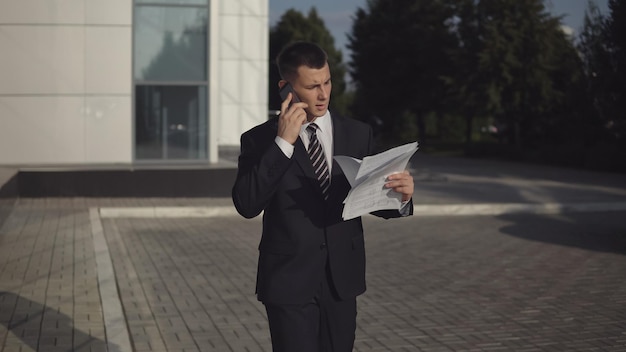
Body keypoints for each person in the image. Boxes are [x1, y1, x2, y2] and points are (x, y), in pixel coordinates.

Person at [232, 41, 414, 352]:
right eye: (312, 86)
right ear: (285, 87)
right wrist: (283, 143)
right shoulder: (259, 140)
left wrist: (402, 196)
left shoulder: (358, 134)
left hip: (341, 280)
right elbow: (247, 204)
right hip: (289, 281)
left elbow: (373, 198)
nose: (323, 94)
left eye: (327, 82)